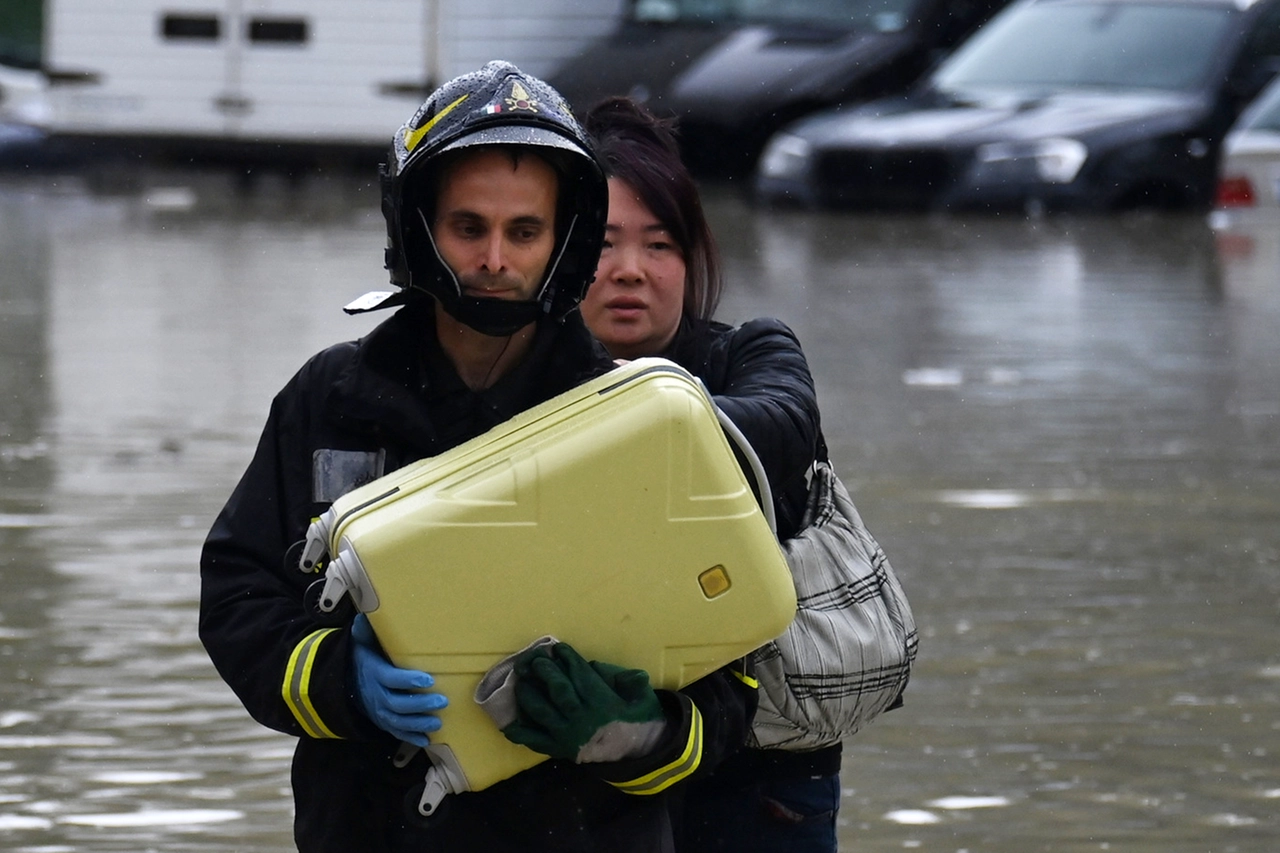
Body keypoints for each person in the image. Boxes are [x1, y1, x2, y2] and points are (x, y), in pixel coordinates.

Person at [199, 62, 755, 853]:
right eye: (469, 228)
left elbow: (733, 683)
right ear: (415, 225)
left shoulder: (639, 423)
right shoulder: (329, 397)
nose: (496, 258)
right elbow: (235, 596)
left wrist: (628, 731)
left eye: (524, 231)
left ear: (564, 239)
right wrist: (337, 681)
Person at [580, 98, 838, 852]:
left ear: (693, 258)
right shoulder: (513, 381)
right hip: (591, 765)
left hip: (759, 772)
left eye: (660, 244)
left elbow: (785, 424)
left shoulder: (751, 354)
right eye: (601, 243)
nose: (631, 271)